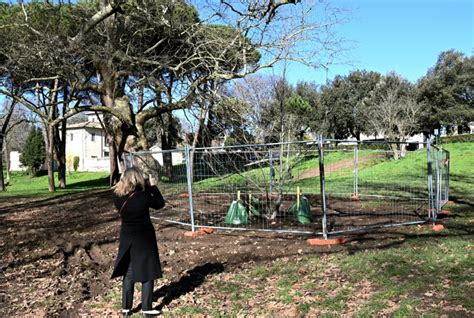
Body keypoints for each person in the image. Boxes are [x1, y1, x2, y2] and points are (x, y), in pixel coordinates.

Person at [111, 167, 165, 316]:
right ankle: (147, 308)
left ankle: (126, 308)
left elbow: (125, 192)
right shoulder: (144, 196)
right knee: (148, 271)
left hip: (127, 237)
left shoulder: (116, 196)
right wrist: (152, 186)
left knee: (129, 273)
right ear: (137, 179)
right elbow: (160, 203)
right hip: (144, 238)